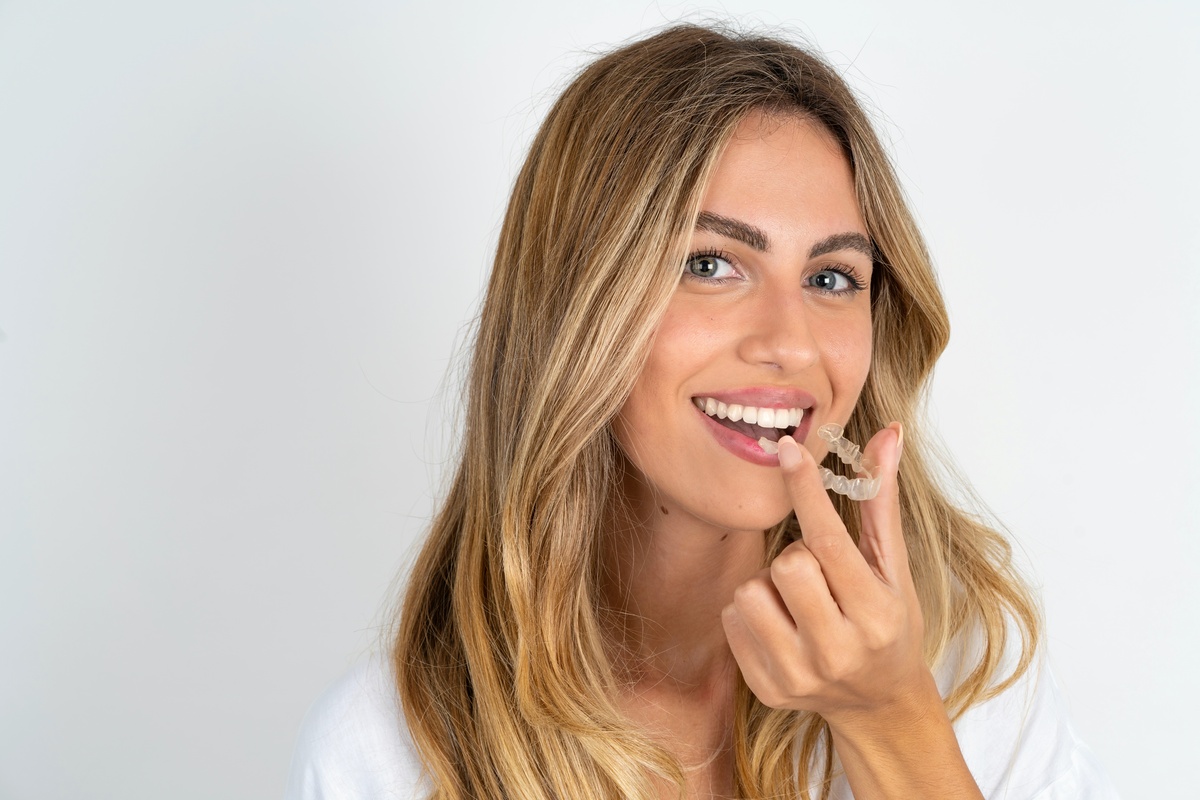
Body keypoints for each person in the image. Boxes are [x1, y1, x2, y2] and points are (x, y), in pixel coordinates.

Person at [286, 24, 1119, 799]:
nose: (791, 343)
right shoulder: (386, 752)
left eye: (831, 278)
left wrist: (890, 718)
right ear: (578, 303)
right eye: (712, 264)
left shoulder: (972, 670)